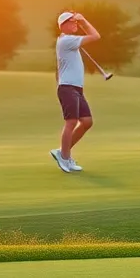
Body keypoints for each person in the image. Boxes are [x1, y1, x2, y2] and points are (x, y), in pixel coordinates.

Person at [51, 11, 100, 173]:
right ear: (63, 25)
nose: (75, 24)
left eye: (76, 22)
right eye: (72, 22)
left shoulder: (69, 41)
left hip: (75, 88)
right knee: (71, 122)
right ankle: (65, 157)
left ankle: (62, 152)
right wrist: (85, 21)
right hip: (68, 88)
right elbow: (95, 36)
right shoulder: (67, 40)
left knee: (86, 122)